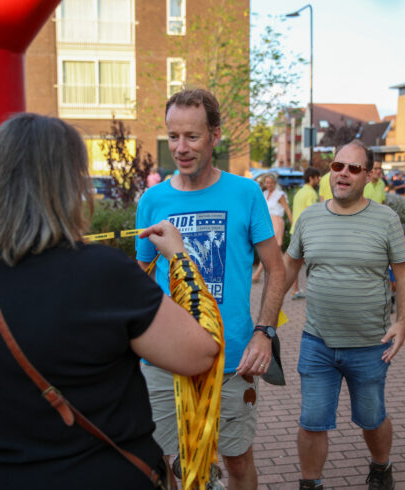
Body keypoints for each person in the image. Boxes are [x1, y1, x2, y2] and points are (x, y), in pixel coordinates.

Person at [0, 113, 220, 489]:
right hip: (92, 472)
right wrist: (179, 258)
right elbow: (198, 354)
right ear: (69, 185)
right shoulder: (102, 273)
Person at [135, 89, 286, 490]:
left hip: (232, 358)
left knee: (237, 461)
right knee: (171, 465)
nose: (180, 148)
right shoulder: (152, 200)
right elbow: (139, 277)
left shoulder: (245, 193)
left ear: (215, 136)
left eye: (192, 136)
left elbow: (276, 269)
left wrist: (264, 332)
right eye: (173, 136)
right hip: (165, 360)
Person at [282, 140, 405, 490]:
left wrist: (402, 323)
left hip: (370, 345)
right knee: (311, 421)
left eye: (353, 168)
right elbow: (289, 266)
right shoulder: (309, 217)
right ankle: (310, 484)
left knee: (372, 418)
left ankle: (381, 467)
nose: (343, 173)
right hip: (317, 343)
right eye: (337, 166)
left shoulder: (386, 219)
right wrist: (265, 319)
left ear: (368, 175)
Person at [252, 172, 293, 283]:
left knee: (270, 248)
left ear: (275, 183)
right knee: (276, 251)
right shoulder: (264, 194)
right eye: (267, 182)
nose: (269, 184)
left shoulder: (280, 194)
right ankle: (287, 272)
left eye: (271, 182)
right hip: (266, 222)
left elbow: (287, 209)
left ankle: (257, 274)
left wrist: (293, 223)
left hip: (277, 222)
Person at [288, 167, 321, 300]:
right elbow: (312, 213)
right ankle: (315, 291)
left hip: (295, 230)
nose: (319, 180)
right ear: (311, 178)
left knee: (295, 263)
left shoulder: (299, 192)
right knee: (313, 263)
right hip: (307, 232)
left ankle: (294, 289)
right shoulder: (311, 193)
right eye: (317, 177)